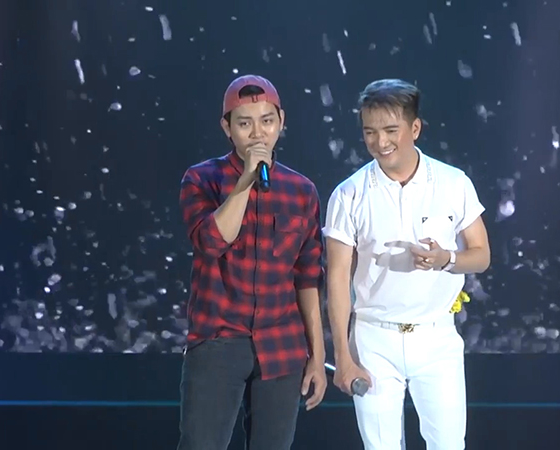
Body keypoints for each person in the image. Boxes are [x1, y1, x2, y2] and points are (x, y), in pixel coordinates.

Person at [323, 79, 491, 450]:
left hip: (436, 336)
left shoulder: (453, 183)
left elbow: (481, 255)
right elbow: (337, 278)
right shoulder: (348, 194)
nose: (379, 142)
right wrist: (343, 356)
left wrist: (446, 259)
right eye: (369, 131)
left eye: (390, 130)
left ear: (415, 128)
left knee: (448, 444)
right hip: (373, 338)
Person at [177, 74, 327, 450]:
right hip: (219, 339)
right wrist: (244, 183)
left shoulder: (302, 191)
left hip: (283, 342)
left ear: (281, 121)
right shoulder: (201, 179)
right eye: (245, 123)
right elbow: (211, 242)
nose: (258, 133)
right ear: (226, 127)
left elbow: (308, 277)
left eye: (267, 121)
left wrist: (317, 354)